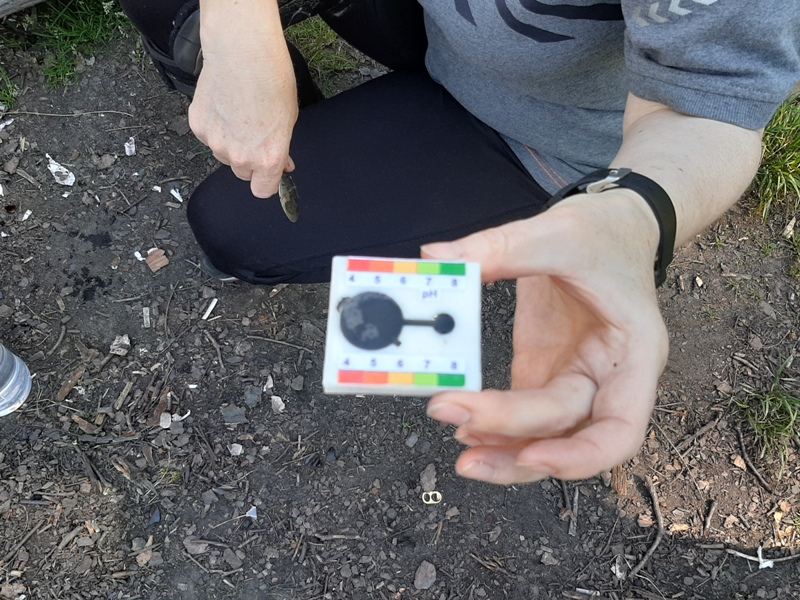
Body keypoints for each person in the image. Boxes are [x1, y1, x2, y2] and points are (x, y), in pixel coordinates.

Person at [118, 0, 800, 486]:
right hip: (436, 28)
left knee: (233, 226)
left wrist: (632, 212)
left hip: (536, 133)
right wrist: (239, 24)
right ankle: (314, 128)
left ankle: (349, 160)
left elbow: (708, 104)